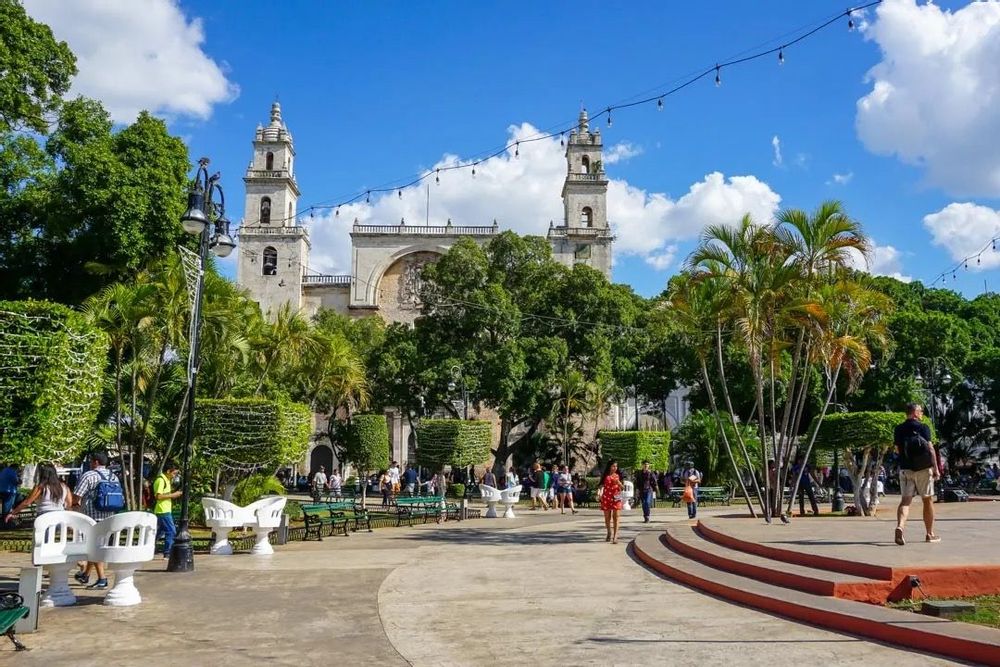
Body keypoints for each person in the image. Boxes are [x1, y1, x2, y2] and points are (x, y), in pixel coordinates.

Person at [73, 452, 121, 589]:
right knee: (96, 547)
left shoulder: (89, 475)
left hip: (92, 517)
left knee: (94, 548)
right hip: (109, 518)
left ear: (95, 462)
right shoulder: (114, 476)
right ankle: (85, 575)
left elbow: (77, 495)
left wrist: (74, 506)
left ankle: (102, 578)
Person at [894, 403, 940, 545]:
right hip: (923, 469)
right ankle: (929, 534)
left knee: (905, 501)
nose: (922, 413)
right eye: (921, 411)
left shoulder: (899, 429)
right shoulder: (923, 427)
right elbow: (931, 449)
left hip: (906, 469)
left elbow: (896, 450)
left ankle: (900, 526)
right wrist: (936, 468)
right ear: (914, 412)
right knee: (927, 500)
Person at [4, 463, 72, 524]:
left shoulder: (41, 487)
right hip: (59, 516)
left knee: (41, 537)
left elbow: (27, 502)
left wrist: (12, 513)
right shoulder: (64, 486)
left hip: (44, 516)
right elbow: (69, 504)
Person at [152, 461, 182, 559]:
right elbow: (158, 496)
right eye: (174, 473)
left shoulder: (167, 480)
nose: (174, 476)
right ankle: (168, 553)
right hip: (162, 511)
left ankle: (149, 547)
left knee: (160, 532)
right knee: (171, 531)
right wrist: (173, 495)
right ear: (168, 471)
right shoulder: (161, 480)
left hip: (165, 510)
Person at [598, 460, 623, 543]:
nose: (615, 468)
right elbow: (601, 485)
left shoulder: (619, 475)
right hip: (606, 497)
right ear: (609, 466)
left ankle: (615, 536)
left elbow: (623, 488)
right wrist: (599, 493)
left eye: (616, 466)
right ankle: (609, 531)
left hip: (616, 497)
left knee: (616, 517)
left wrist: (619, 483)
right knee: (607, 518)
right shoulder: (605, 475)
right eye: (613, 466)